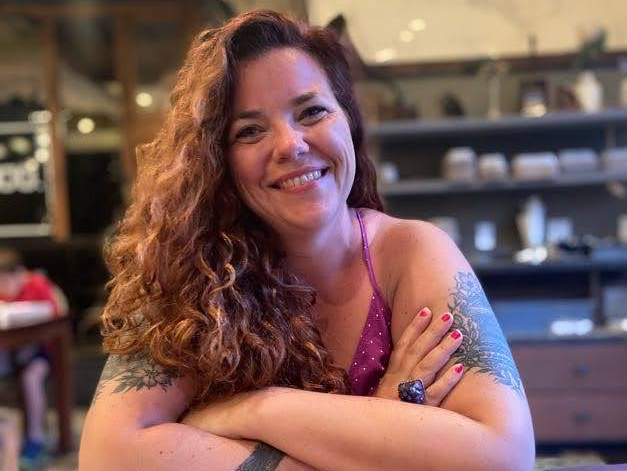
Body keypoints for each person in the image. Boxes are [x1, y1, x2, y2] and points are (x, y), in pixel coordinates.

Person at [79, 10, 535, 471]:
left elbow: (502, 456)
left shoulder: (413, 251)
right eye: (250, 130)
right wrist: (385, 426)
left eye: (312, 111)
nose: (290, 144)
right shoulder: (190, 274)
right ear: (218, 163)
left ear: (349, 124)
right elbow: (107, 457)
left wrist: (256, 410)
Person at [0, 248, 59, 469]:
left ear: (20, 273)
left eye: (6, 282)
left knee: (31, 378)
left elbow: (54, 318)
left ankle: (35, 439)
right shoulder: (4, 293)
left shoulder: (37, 284)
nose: (4, 289)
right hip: (10, 352)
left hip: (40, 353)